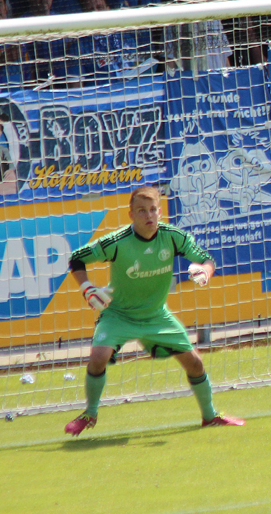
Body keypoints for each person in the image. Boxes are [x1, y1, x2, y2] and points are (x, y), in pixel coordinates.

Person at [63, 186, 245, 436]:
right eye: (141, 211)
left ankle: (210, 416)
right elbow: (77, 258)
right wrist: (87, 288)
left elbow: (206, 259)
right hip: (119, 315)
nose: (148, 215)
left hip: (157, 316)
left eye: (152, 210)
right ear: (131, 215)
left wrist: (205, 271)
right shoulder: (116, 242)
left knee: (195, 364)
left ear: (159, 212)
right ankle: (89, 413)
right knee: (98, 356)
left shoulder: (173, 237)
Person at [164, 0, 233, 70]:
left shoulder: (214, 18)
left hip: (216, 74)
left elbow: (224, 53)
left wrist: (229, 75)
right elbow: (170, 58)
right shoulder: (174, 23)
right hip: (190, 76)